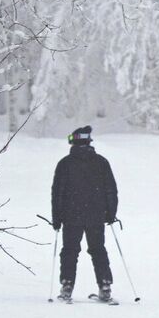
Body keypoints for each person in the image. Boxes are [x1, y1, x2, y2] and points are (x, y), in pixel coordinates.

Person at [50, 125, 118, 303]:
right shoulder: (101, 162)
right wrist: (110, 214)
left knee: (70, 252)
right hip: (96, 216)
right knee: (98, 250)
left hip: (71, 217)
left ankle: (67, 286)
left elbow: (57, 193)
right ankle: (105, 285)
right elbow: (111, 190)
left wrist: (56, 218)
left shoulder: (65, 164)